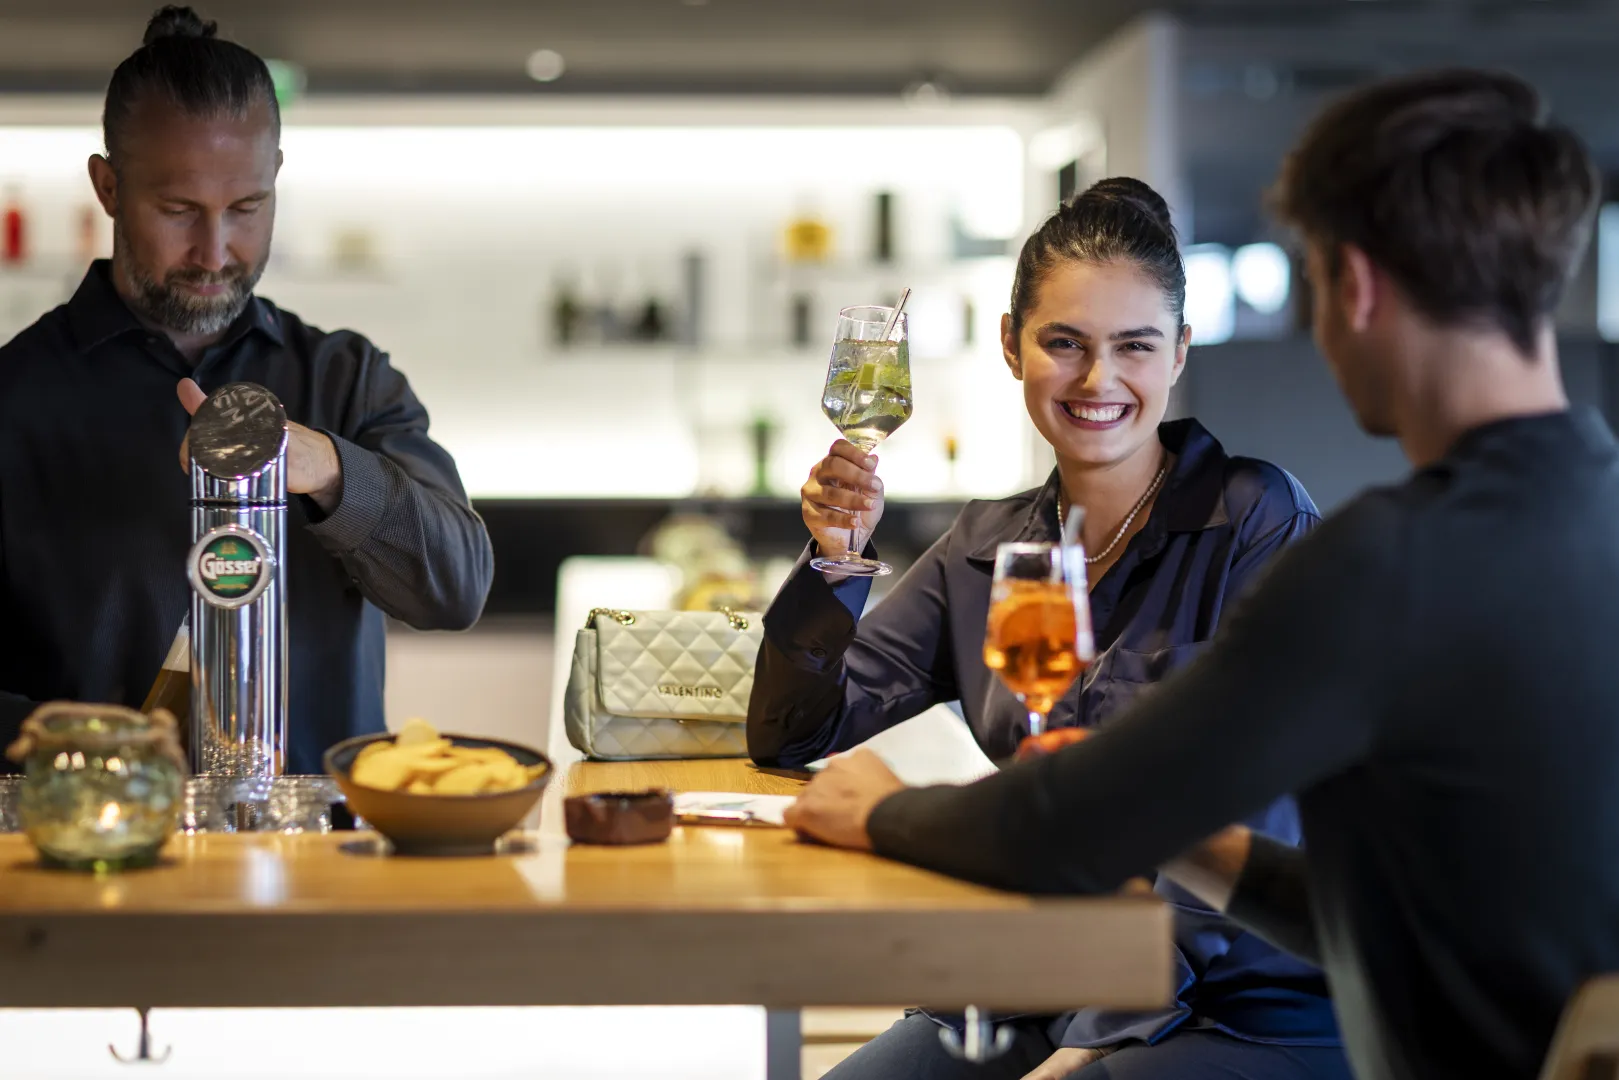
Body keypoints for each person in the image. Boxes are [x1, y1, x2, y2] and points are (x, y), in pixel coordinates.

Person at [784, 69, 1619, 1080]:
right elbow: (1415, 912)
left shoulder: (1382, 561)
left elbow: (1071, 826)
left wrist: (873, 812)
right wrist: (1195, 840)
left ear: (1349, 286)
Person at [749, 180, 1348, 1078]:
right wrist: (836, 558)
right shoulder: (984, 547)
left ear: (1178, 353)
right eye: (1063, 344)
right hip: (1029, 980)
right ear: (1009, 345)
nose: (1097, 380)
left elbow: (1245, 831)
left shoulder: (1256, 520)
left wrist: (1086, 1045)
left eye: (1133, 347)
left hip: (1234, 1004)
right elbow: (795, 731)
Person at [0, 6, 492, 773]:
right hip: (97, 860)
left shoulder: (345, 378)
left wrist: (325, 468)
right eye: (178, 211)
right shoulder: (15, 398)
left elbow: (455, 590)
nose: (215, 249)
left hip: (322, 865)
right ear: (107, 186)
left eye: (247, 209)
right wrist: (79, 754)